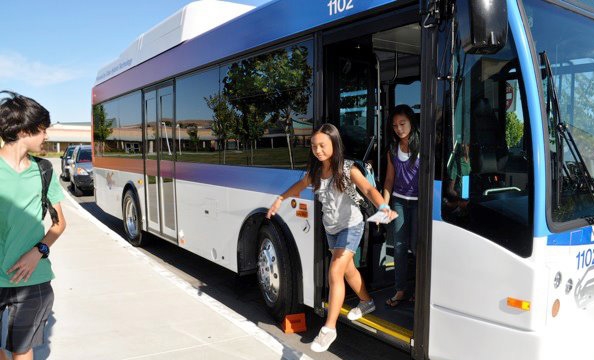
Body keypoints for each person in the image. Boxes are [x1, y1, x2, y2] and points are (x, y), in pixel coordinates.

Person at [267, 123, 396, 353]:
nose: (318, 150)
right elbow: (301, 184)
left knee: (335, 271)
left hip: (351, 226)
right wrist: (281, 198)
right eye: (314, 146)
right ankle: (367, 302)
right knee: (348, 271)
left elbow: (368, 189)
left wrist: (383, 206)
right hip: (331, 228)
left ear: (334, 145)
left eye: (322, 145)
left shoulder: (347, 169)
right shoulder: (316, 172)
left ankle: (329, 328)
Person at [0, 91, 66, 360]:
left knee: (22, 349)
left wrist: (37, 251)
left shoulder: (44, 170)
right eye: (43, 130)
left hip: (33, 278)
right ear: (25, 130)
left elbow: (59, 224)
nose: (47, 136)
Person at [383, 105, 420, 307]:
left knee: (416, 247)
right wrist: (383, 204)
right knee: (399, 247)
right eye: (395, 125)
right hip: (398, 201)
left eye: (402, 123)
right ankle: (400, 291)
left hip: (418, 203)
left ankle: (418, 290)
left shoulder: (424, 145)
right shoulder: (392, 149)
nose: (398, 128)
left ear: (411, 122)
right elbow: (389, 180)